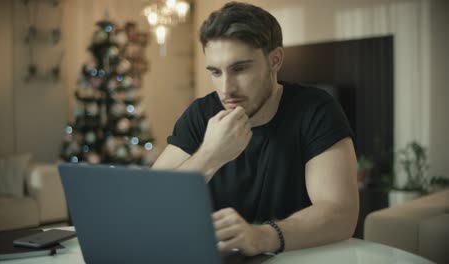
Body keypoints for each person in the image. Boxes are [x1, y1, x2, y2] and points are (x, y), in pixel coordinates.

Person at [152, 1, 359, 256]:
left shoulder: (316, 110)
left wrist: (260, 236)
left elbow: (341, 214)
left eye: (239, 69)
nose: (226, 89)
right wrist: (210, 155)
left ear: (275, 60)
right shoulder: (201, 113)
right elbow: (153, 203)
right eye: (216, 72)